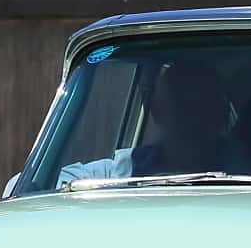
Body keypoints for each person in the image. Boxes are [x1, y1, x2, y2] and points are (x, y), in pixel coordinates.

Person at [56, 61, 234, 185]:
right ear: (157, 113)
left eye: (200, 106)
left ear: (220, 114)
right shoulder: (121, 171)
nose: (192, 120)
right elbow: (66, 186)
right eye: (180, 105)